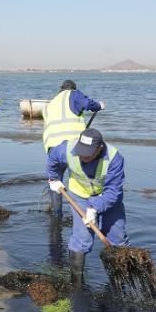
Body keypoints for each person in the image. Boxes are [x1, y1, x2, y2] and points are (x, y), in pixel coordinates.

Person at [47, 128, 128, 282]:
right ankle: (76, 283)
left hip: (107, 197)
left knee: (117, 238)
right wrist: (53, 178)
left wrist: (95, 207)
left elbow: (113, 191)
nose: (83, 156)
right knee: (81, 238)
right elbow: (52, 159)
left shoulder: (114, 158)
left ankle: (120, 280)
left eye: (88, 153)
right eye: (81, 151)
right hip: (80, 196)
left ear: (100, 148)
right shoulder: (66, 149)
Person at [43, 80, 105, 216]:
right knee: (83, 179)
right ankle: (88, 212)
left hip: (52, 148)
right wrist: (99, 106)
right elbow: (88, 104)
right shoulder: (73, 94)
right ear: (72, 88)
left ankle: (56, 214)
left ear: (60, 89)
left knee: (55, 184)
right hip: (72, 148)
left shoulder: (51, 103)